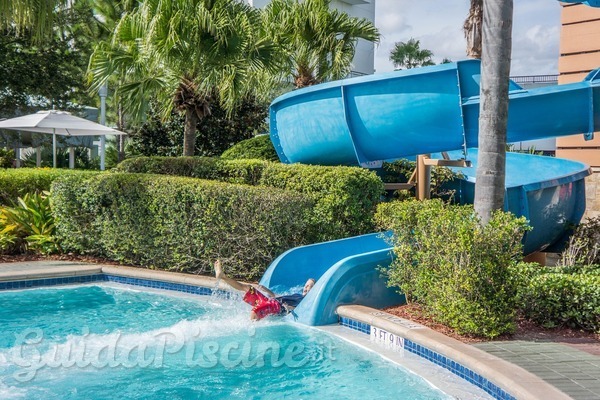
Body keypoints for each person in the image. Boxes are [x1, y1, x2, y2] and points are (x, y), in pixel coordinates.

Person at [214, 259, 315, 320]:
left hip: (275, 306)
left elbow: (300, 309)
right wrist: (266, 290)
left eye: (309, 286)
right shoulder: (297, 295)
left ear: (314, 289)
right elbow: (277, 296)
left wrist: (289, 308)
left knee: (255, 311)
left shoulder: (304, 300)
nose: (305, 287)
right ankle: (223, 276)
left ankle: (250, 331)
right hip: (271, 302)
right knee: (248, 288)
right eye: (305, 285)